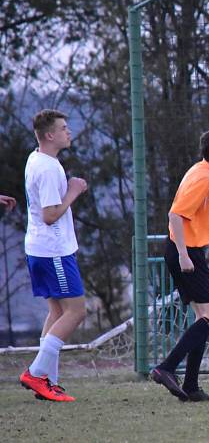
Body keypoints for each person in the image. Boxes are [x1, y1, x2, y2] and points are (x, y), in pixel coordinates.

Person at [150, 129, 209, 402]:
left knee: (204, 317)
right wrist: (185, 255)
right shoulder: (204, 176)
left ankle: (191, 385)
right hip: (184, 252)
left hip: (186, 250)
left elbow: (198, 207)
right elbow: (175, 214)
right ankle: (166, 368)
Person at [19, 109, 88, 402]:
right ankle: (36, 373)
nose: (68, 132)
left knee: (57, 312)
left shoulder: (37, 158)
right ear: (49, 135)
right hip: (53, 252)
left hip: (40, 249)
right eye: (63, 128)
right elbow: (49, 215)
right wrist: (73, 191)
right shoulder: (47, 168)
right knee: (76, 311)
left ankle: (47, 381)